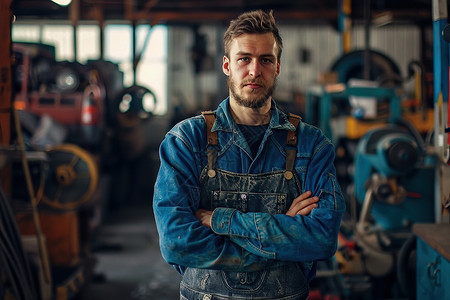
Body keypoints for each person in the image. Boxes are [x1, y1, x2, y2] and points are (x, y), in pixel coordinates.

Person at [153, 10, 345, 300]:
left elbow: (321, 238)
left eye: (265, 60)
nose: (255, 70)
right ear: (227, 66)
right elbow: (177, 243)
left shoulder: (311, 145)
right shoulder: (186, 141)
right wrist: (280, 240)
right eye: (244, 59)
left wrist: (219, 220)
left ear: (277, 66)